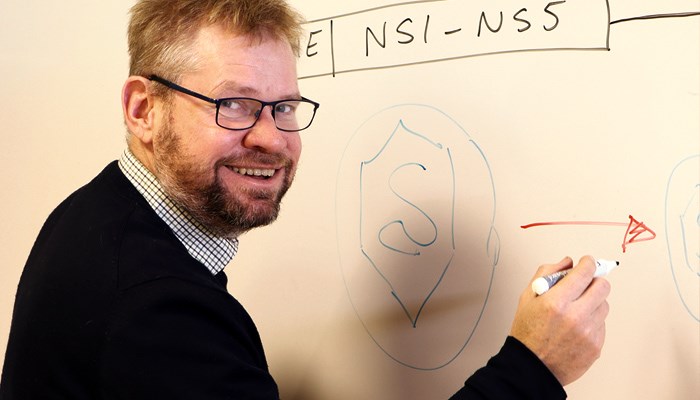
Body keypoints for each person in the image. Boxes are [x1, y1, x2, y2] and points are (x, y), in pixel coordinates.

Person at [0, 0, 610, 398]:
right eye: (233, 104)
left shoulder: (97, 211)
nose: (270, 138)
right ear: (143, 110)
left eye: (284, 107)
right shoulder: (157, 310)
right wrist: (534, 366)